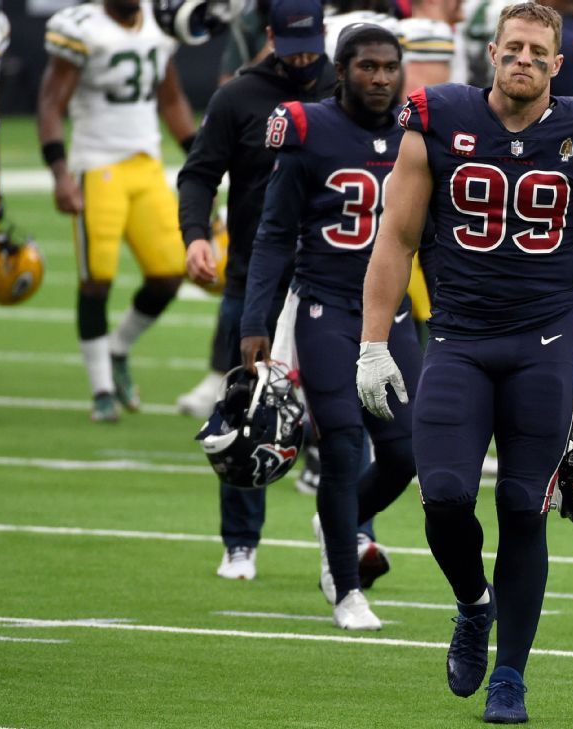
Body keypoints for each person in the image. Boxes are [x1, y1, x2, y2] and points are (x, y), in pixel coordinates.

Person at [357, 3, 573, 722]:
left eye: (539, 53)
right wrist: (373, 341)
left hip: (544, 344)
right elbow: (396, 239)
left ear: (557, 64)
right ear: (491, 52)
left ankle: (510, 675)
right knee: (444, 496)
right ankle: (473, 604)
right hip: (458, 338)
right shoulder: (438, 116)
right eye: (514, 48)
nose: (525, 61)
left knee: (523, 508)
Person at [241, 22, 418, 628]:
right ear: (341, 71)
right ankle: (347, 589)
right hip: (327, 307)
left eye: (390, 67)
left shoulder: (418, 130)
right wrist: (254, 320)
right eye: (368, 67)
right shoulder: (308, 128)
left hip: (393, 314)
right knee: (342, 447)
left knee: (405, 453)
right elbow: (273, 234)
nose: (381, 78)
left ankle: (335, 520)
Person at [177, 0, 339, 580]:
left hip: (329, 275)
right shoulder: (236, 96)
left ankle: (348, 538)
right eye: (292, 42)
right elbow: (198, 173)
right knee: (247, 411)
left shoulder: (340, 88)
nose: (303, 55)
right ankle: (240, 541)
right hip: (252, 275)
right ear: (269, 35)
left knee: (340, 415)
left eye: (311, 42)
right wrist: (196, 235)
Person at [38, 0, 196, 423]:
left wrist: (200, 161)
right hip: (97, 164)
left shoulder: (159, 25)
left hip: (146, 163)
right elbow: (51, 103)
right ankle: (101, 387)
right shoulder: (82, 27)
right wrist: (59, 173)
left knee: (168, 273)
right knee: (96, 280)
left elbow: (171, 99)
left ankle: (118, 347)